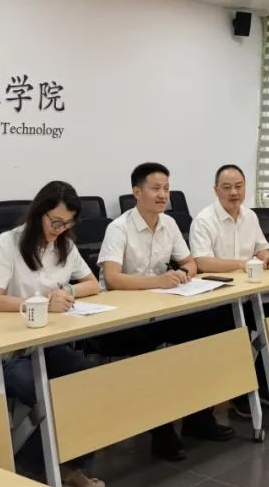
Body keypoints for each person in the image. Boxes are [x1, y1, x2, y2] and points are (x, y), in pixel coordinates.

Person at [97, 162, 235, 461]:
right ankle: (160, 431)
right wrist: (158, 281)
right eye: (156, 189)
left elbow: (190, 262)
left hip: (160, 309)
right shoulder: (118, 228)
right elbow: (112, 278)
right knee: (150, 352)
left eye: (166, 189)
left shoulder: (169, 224)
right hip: (122, 319)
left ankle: (199, 416)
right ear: (137, 192)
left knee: (212, 328)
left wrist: (183, 273)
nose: (163, 195)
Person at [0, 180, 105, 487]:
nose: (60, 229)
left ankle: (66, 466)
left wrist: (68, 291)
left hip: (49, 345)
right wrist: (40, 304)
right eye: (55, 222)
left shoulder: (64, 244)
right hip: (11, 352)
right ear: (39, 213)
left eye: (67, 223)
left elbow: (93, 283)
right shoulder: (8, 243)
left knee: (89, 381)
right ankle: (44, 466)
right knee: (52, 392)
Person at [191, 163, 269, 418]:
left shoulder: (250, 216)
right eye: (227, 187)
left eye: (238, 186)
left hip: (247, 295)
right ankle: (241, 392)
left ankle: (261, 384)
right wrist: (241, 265)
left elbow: (261, 248)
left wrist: (268, 258)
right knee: (236, 328)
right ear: (216, 190)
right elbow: (202, 262)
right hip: (216, 300)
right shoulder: (204, 220)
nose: (234, 192)